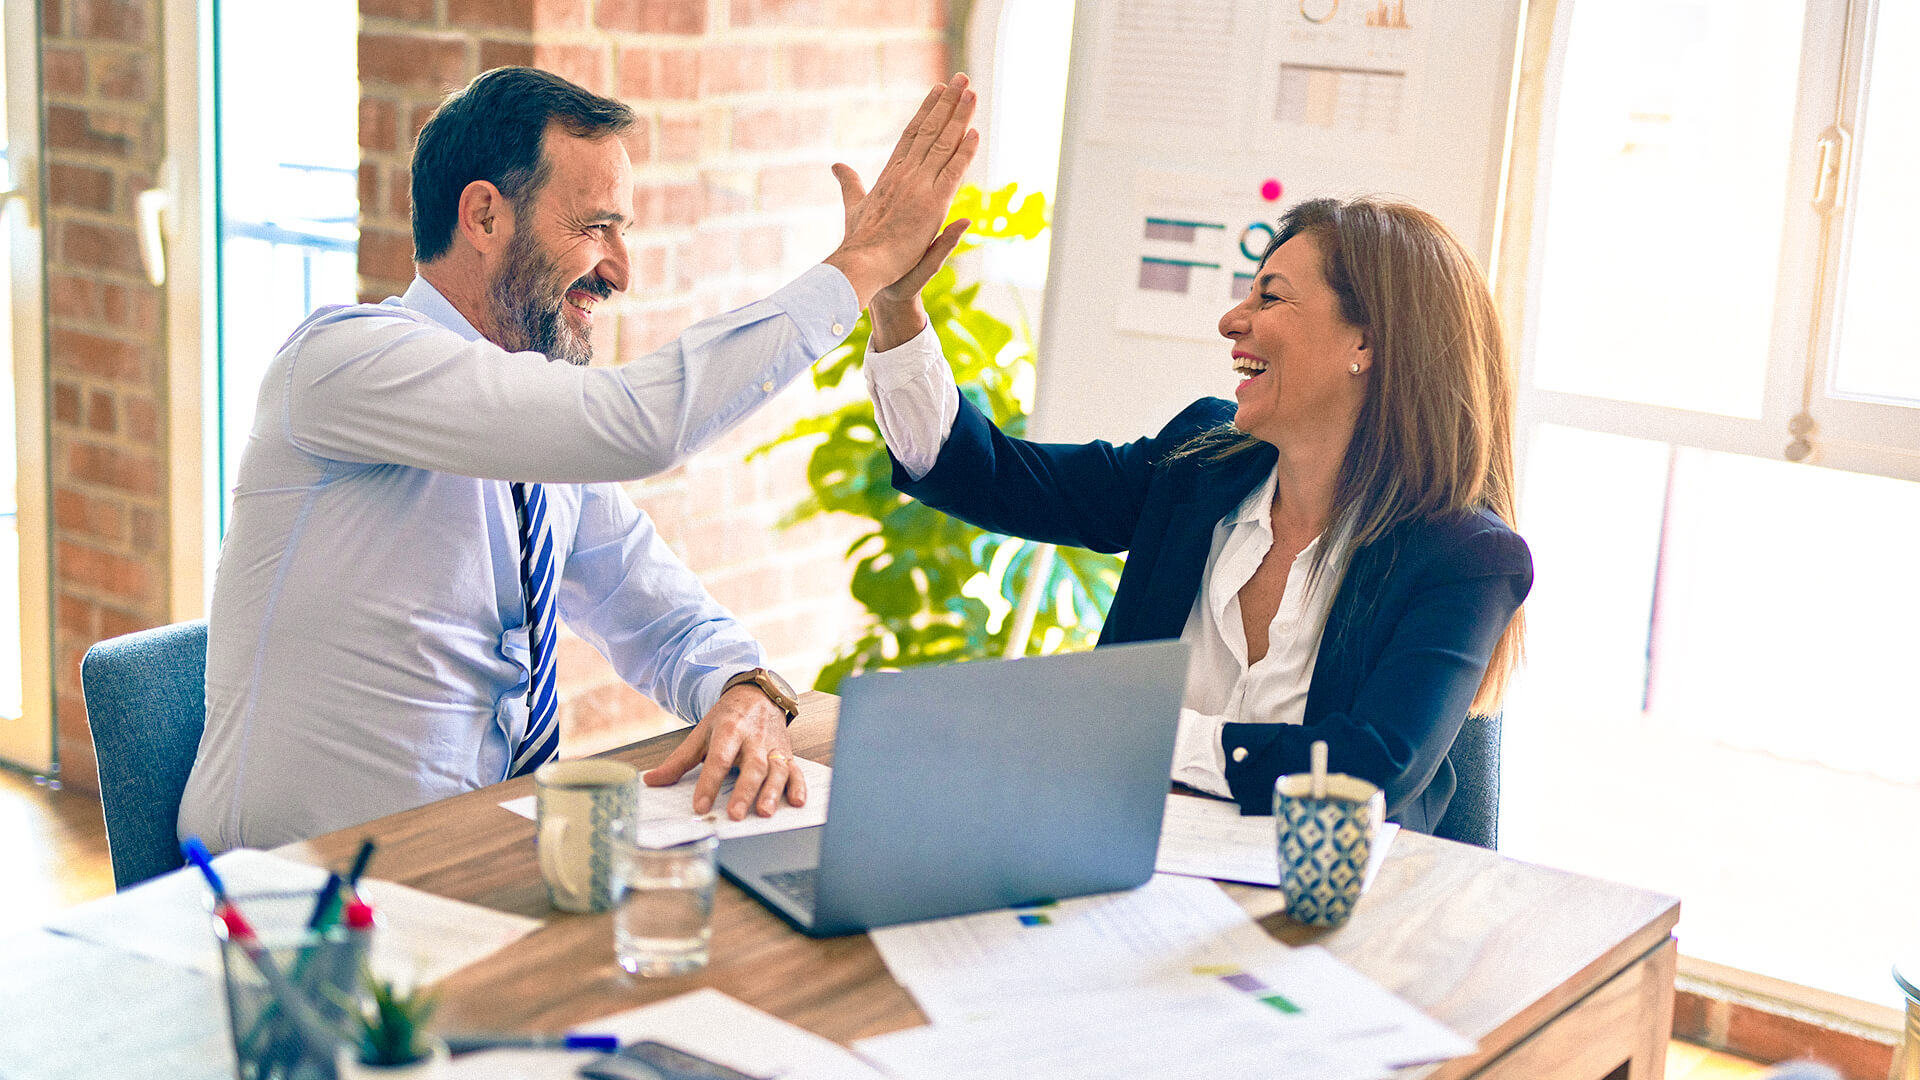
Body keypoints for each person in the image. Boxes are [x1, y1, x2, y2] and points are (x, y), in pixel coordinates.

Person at [179, 66, 978, 850]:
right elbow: (640, 424)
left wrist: (745, 688)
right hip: (292, 904)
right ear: (485, 217)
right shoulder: (343, 362)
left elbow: (663, 616)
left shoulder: (536, 439)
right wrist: (862, 265)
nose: (620, 270)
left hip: (473, 866)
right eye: (597, 227)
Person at [863, 196, 1531, 831]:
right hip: (1123, 865)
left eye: (1269, 296)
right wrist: (896, 307)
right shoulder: (1200, 463)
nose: (1232, 321)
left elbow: (1365, 772)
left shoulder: (1464, 558)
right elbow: (993, 477)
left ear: (1366, 344)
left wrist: (1139, 732)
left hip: (1325, 915)